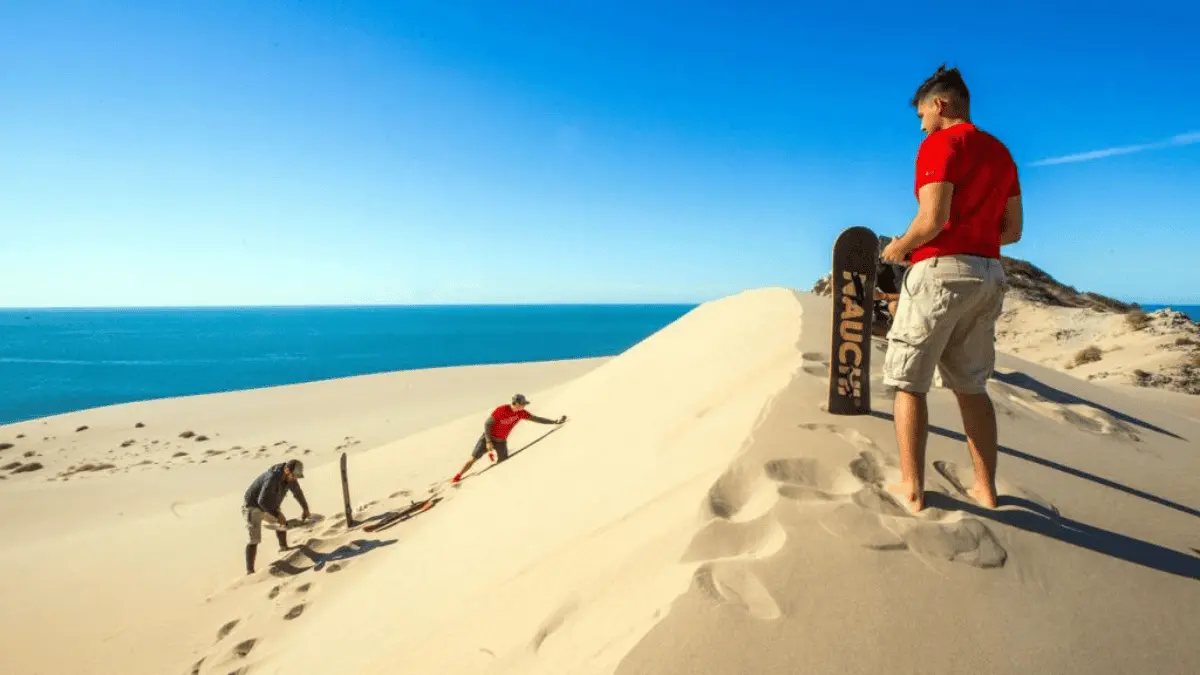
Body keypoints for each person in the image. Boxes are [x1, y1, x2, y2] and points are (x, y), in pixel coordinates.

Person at [878, 64, 1023, 513]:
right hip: (988, 275)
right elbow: (1012, 230)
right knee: (971, 386)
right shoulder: (1001, 152)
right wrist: (973, 236)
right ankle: (986, 489)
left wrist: (897, 249)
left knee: (909, 383)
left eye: (922, 113)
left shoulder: (940, 143)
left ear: (940, 104)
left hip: (940, 273)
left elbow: (932, 218)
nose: (921, 124)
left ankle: (913, 490)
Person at [451, 394, 567, 483]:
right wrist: (488, 441)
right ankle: (458, 476)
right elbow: (487, 424)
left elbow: (536, 419)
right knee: (472, 459)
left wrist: (554, 422)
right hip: (488, 438)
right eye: (522, 404)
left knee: (503, 461)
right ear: (515, 403)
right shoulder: (501, 410)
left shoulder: (521, 413)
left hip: (501, 442)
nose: (524, 406)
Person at [242, 459, 310, 574]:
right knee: (254, 538)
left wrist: (305, 508)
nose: (295, 479)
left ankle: (284, 548)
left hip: (269, 504)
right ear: (287, 471)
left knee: (281, 524)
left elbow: (297, 493)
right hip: (252, 506)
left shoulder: (291, 478)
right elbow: (262, 501)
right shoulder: (272, 478)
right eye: (294, 476)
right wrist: (277, 514)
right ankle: (250, 571)